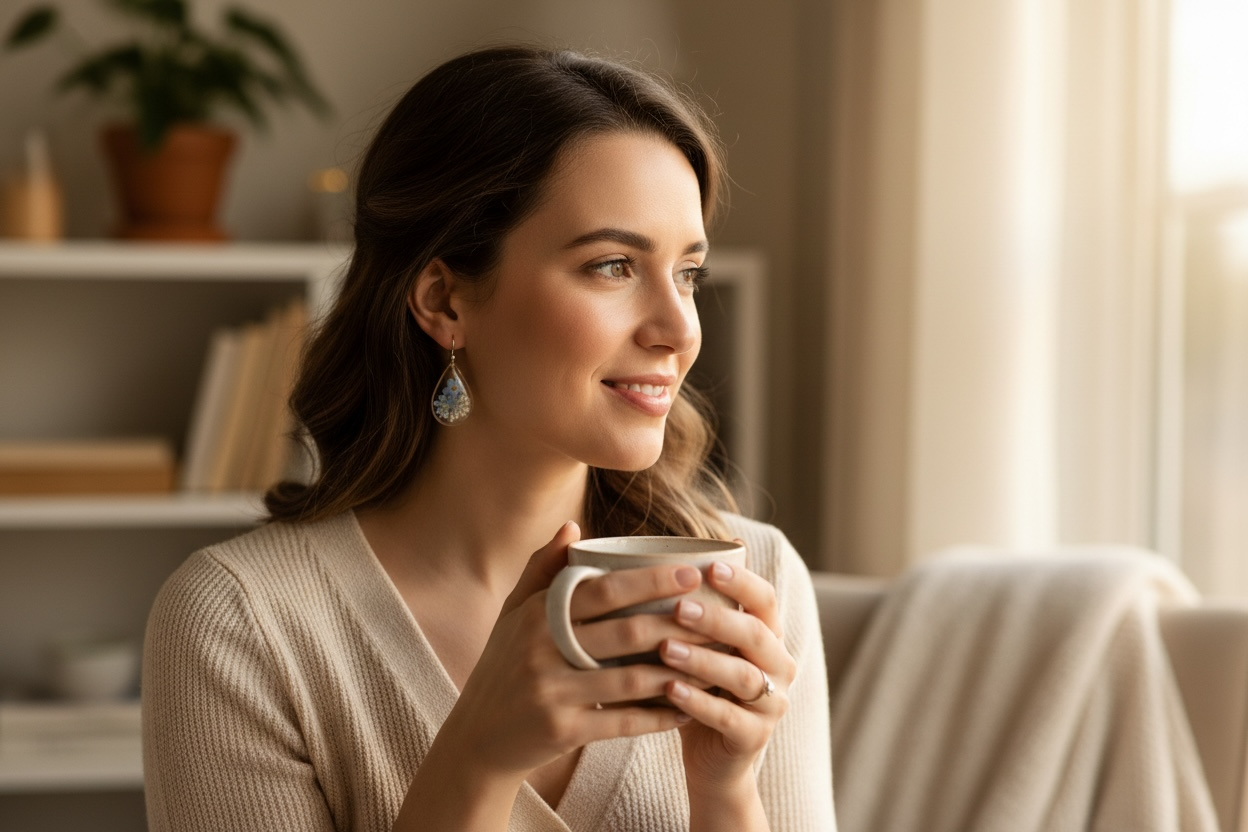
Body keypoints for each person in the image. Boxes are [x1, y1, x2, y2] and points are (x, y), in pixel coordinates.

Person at [141, 44, 835, 832]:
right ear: (444, 301)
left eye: (688, 273)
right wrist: (478, 756)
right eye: (612, 265)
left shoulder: (758, 581)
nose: (680, 330)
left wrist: (726, 790)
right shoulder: (241, 624)